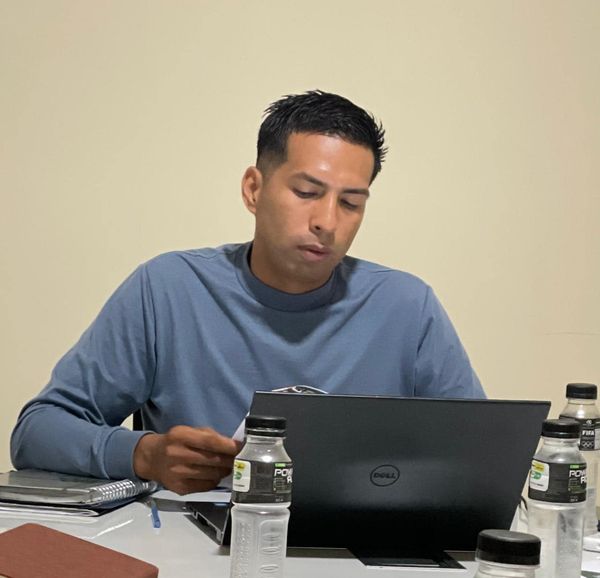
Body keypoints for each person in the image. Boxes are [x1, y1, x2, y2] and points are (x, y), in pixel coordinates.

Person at [11, 90, 485, 494]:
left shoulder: (406, 307)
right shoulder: (168, 289)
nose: (327, 221)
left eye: (350, 202)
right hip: (195, 546)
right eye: (306, 192)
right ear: (254, 189)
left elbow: (482, 456)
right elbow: (37, 431)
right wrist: (144, 454)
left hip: (356, 549)